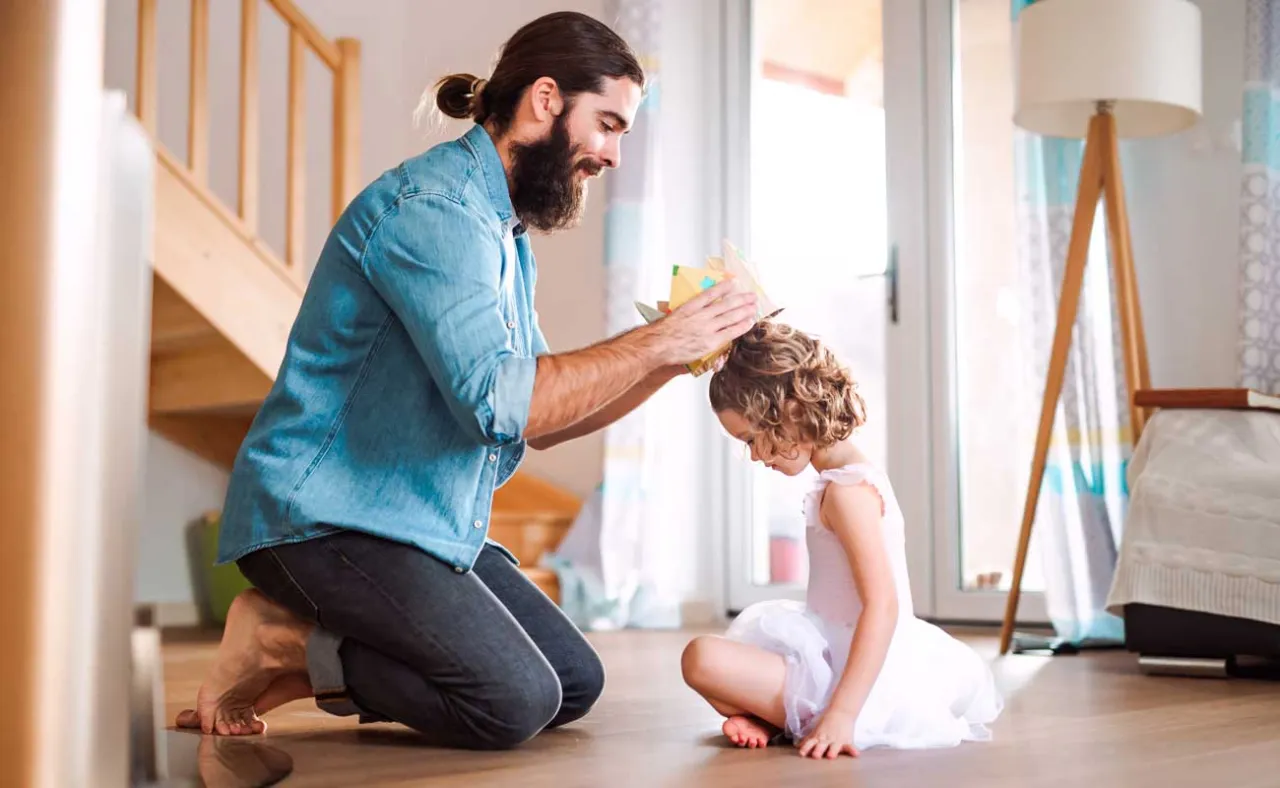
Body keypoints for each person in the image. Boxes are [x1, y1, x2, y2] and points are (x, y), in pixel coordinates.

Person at [176, 11, 758, 749]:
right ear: (546, 99)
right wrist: (657, 340)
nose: (612, 155)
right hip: (321, 519)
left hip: (416, 519)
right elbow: (500, 403)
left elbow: (539, 417)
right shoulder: (433, 211)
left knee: (573, 682)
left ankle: (306, 647)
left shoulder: (501, 233)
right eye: (607, 124)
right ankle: (284, 642)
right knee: (511, 700)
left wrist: (674, 359)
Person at [681, 321, 1003, 759]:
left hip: (865, 677)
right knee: (708, 657)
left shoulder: (849, 493)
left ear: (791, 410)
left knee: (702, 659)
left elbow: (882, 605)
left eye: (752, 439)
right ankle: (775, 715)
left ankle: (802, 716)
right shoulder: (838, 483)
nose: (755, 455)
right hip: (827, 648)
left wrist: (843, 714)